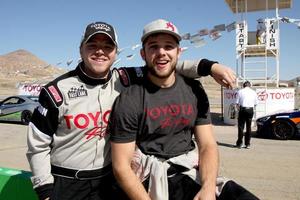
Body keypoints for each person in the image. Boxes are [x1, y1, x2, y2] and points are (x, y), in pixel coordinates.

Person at [26, 21, 236, 200]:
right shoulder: (56, 91)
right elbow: (38, 145)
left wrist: (210, 67)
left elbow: (166, 64)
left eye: (107, 46)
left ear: (116, 52)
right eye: (92, 45)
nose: (100, 50)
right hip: (67, 182)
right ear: (81, 49)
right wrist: (45, 190)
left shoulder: (124, 78)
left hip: (108, 181)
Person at [109, 19, 259, 200]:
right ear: (143, 54)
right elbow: (121, 166)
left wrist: (208, 188)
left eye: (168, 46)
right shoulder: (130, 99)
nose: (161, 52)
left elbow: (207, 145)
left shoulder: (194, 90)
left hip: (189, 169)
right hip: (151, 176)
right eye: (153, 47)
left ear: (179, 52)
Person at [235, 81, 258, 149]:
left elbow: (237, 103)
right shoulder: (253, 92)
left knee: (241, 127)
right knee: (249, 127)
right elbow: (256, 103)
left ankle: (240, 143)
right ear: (250, 85)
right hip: (250, 110)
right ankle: (247, 144)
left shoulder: (240, 91)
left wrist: (239, 110)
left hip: (243, 109)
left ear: (243, 85)